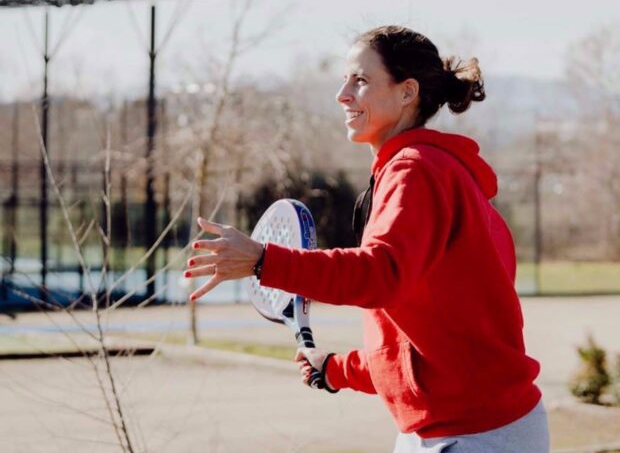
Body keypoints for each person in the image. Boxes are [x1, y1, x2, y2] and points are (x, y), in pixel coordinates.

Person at [184, 25, 549, 452]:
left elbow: (379, 274)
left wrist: (265, 261)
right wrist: (337, 369)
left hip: (476, 434)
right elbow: (427, 340)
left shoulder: (416, 171)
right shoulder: (432, 171)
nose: (342, 94)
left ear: (407, 92)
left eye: (359, 80)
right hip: (450, 429)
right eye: (344, 79)